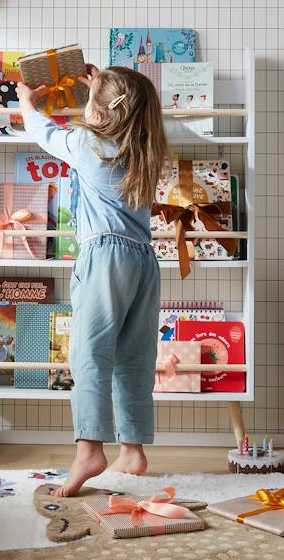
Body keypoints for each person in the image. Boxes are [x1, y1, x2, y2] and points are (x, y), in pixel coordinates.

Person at [16, 64, 170, 497]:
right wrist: (104, 89)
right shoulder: (146, 151)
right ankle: (133, 448)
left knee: (89, 352)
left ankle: (89, 448)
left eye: (90, 102)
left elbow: (48, 135)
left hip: (105, 255)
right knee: (134, 356)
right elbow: (120, 113)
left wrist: (28, 103)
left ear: (101, 113)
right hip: (143, 259)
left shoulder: (87, 143)